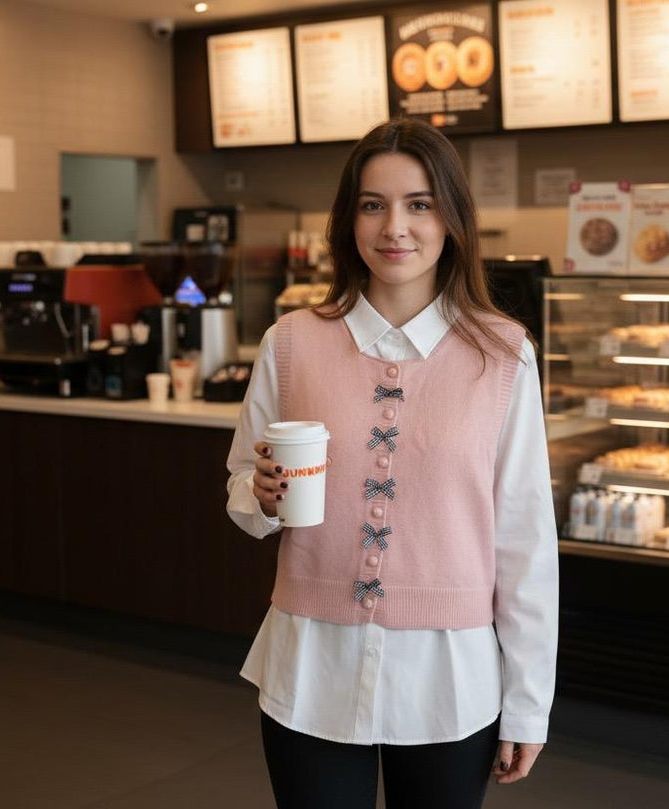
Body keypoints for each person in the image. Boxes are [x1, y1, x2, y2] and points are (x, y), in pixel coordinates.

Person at [225, 117, 558, 809]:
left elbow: (526, 539)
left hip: (449, 673)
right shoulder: (290, 342)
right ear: (349, 220)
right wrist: (258, 495)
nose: (394, 227)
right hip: (311, 662)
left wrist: (529, 702)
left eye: (419, 204)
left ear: (452, 219)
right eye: (373, 205)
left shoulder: (503, 356)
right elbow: (243, 490)